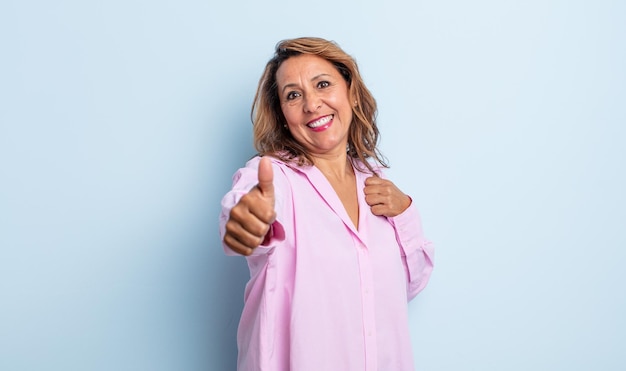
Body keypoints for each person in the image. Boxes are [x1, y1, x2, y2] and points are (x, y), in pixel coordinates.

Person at [219, 37, 434, 371]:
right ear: (282, 114)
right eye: (293, 95)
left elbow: (410, 284)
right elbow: (245, 208)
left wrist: (405, 211)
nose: (311, 104)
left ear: (350, 90)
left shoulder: (376, 183)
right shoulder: (275, 178)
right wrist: (246, 222)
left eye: (322, 84)